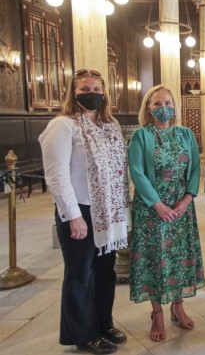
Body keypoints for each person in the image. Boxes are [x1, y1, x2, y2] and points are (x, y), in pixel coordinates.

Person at [39, 69, 129, 354]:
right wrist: (73, 215)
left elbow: (118, 170)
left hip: (108, 212)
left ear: (104, 92)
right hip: (81, 211)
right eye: (84, 88)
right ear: (73, 92)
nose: (91, 93)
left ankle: (103, 323)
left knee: (104, 273)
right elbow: (57, 175)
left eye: (96, 88)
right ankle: (83, 334)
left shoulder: (109, 123)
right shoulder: (63, 126)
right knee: (80, 275)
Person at [128, 85, 205, 341]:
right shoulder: (141, 136)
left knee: (180, 257)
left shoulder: (185, 134)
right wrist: (157, 205)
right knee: (156, 259)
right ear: (148, 108)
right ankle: (157, 313)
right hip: (152, 211)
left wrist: (186, 198)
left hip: (181, 209)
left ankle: (178, 306)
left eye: (168, 103)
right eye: (157, 103)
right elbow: (137, 172)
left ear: (175, 106)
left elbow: (194, 169)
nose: (164, 108)